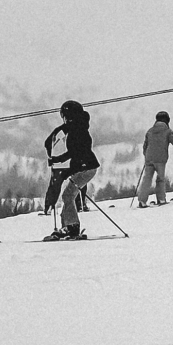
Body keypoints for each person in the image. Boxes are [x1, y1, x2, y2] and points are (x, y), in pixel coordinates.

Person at [45, 100, 101, 240]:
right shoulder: (78, 126)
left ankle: (72, 227)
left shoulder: (77, 129)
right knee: (68, 195)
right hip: (85, 167)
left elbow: (74, 152)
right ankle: (68, 226)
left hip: (85, 168)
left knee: (68, 196)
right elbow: (75, 152)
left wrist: (57, 160)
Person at [136, 111, 173, 208]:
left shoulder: (150, 131)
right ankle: (161, 199)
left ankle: (142, 201)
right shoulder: (167, 131)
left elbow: (145, 146)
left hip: (149, 158)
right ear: (167, 120)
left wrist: (146, 156)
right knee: (160, 179)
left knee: (147, 179)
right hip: (161, 159)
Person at [41, 121, 70, 215]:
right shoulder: (77, 130)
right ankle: (79, 205)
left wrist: (51, 157)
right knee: (78, 183)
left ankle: (49, 207)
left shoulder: (58, 131)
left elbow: (47, 143)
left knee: (54, 186)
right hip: (71, 162)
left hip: (57, 164)